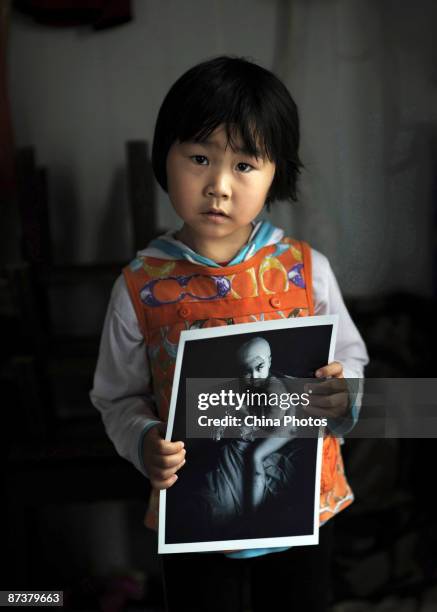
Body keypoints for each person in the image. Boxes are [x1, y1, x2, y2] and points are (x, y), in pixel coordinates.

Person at [90, 55, 369, 612]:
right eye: (199, 158)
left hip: (306, 513)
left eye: (244, 165)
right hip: (195, 521)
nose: (218, 185)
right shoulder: (140, 287)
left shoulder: (306, 268)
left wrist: (343, 393)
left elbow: (351, 361)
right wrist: (145, 440)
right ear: (164, 158)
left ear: (276, 174)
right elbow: (116, 397)